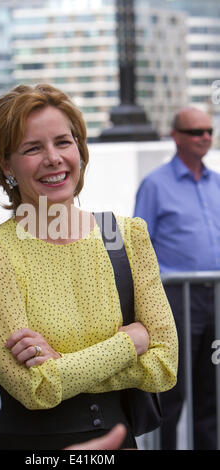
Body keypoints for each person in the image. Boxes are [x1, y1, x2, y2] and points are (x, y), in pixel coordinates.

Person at [0, 83, 178, 450]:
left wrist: (61, 364)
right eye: (33, 148)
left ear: (80, 148)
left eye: (63, 142)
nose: (53, 158)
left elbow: (165, 365)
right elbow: (35, 388)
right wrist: (131, 341)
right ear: (5, 164)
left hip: (120, 443)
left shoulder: (126, 235)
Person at [134, 107, 220, 450]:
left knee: (211, 391)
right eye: (196, 131)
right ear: (176, 136)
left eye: (209, 131)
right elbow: (139, 247)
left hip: (215, 298)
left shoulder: (217, 183)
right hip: (176, 301)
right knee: (173, 391)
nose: (205, 137)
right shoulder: (155, 185)